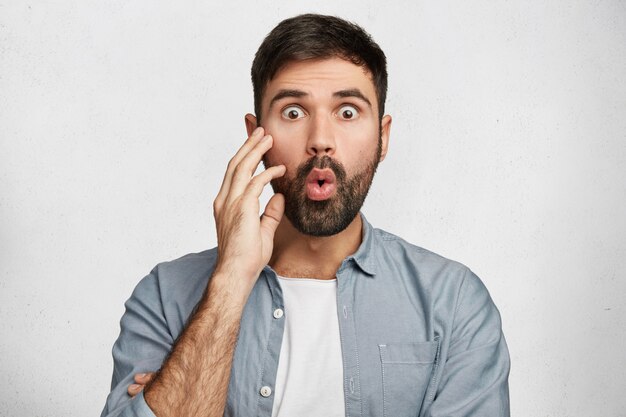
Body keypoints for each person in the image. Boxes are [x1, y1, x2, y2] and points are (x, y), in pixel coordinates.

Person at [101, 13, 510, 417]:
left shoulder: (454, 303)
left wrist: (176, 390)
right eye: (293, 112)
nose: (321, 141)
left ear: (383, 137)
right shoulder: (166, 296)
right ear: (255, 137)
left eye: (347, 111)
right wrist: (229, 283)